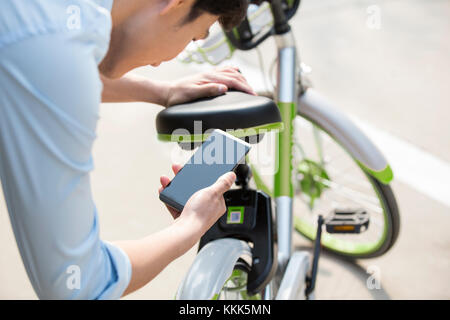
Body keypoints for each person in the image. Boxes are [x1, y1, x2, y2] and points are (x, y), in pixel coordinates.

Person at [0, 0, 254, 299]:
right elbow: (78, 286)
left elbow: (42, 65)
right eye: (193, 37)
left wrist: (162, 91)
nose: (163, 61)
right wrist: (190, 227)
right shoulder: (59, 59)